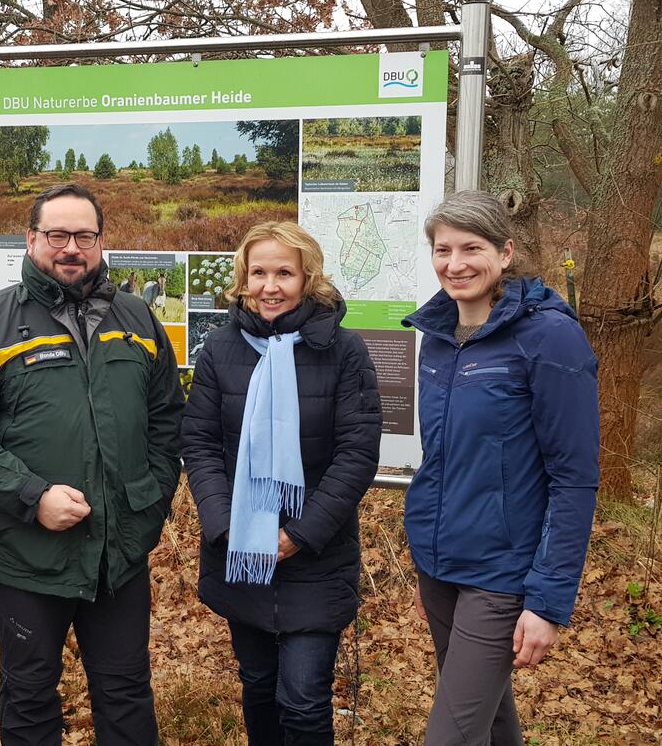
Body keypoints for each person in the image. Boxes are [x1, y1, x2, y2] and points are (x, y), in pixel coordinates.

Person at [0, 183, 183, 746]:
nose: (71, 248)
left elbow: (169, 420)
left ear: (100, 242)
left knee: (124, 693)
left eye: (84, 236)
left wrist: (151, 501)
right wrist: (32, 496)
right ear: (31, 240)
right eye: (57, 235)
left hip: (119, 552)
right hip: (29, 551)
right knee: (29, 694)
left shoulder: (138, 320)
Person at [402, 190, 599, 745]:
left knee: (451, 735)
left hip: (502, 573)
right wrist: (427, 557)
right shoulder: (439, 338)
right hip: (441, 568)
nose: (455, 263)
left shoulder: (550, 337)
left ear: (506, 252)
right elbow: (443, 457)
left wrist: (547, 601)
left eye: (472, 248)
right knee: (489, 720)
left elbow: (574, 477)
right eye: (443, 250)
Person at [181, 221, 382, 745]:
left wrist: (299, 535)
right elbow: (199, 445)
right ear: (243, 279)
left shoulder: (344, 352)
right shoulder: (220, 349)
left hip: (316, 556)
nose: (270, 286)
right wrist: (226, 528)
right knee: (258, 685)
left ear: (308, 278)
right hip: (241, 553)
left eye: (284, 273)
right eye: (259, 272)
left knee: (302, 695)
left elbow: (355, 456)